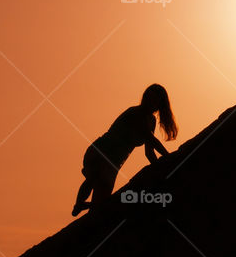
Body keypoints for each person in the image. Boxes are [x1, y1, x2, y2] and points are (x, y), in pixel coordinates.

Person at [71, 84, 178, 216]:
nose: (151, 103)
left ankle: (83, 208)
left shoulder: (151, 121)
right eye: (149, 98)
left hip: (113, 164)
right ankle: (79, 204)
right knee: (94, 177)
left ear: (159, 105)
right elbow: (150, 138)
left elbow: (149, 152)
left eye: (155, 101)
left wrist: (161, 170)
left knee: (99, 207)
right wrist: (168, 157)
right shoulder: (135, 113)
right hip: (101, 151)